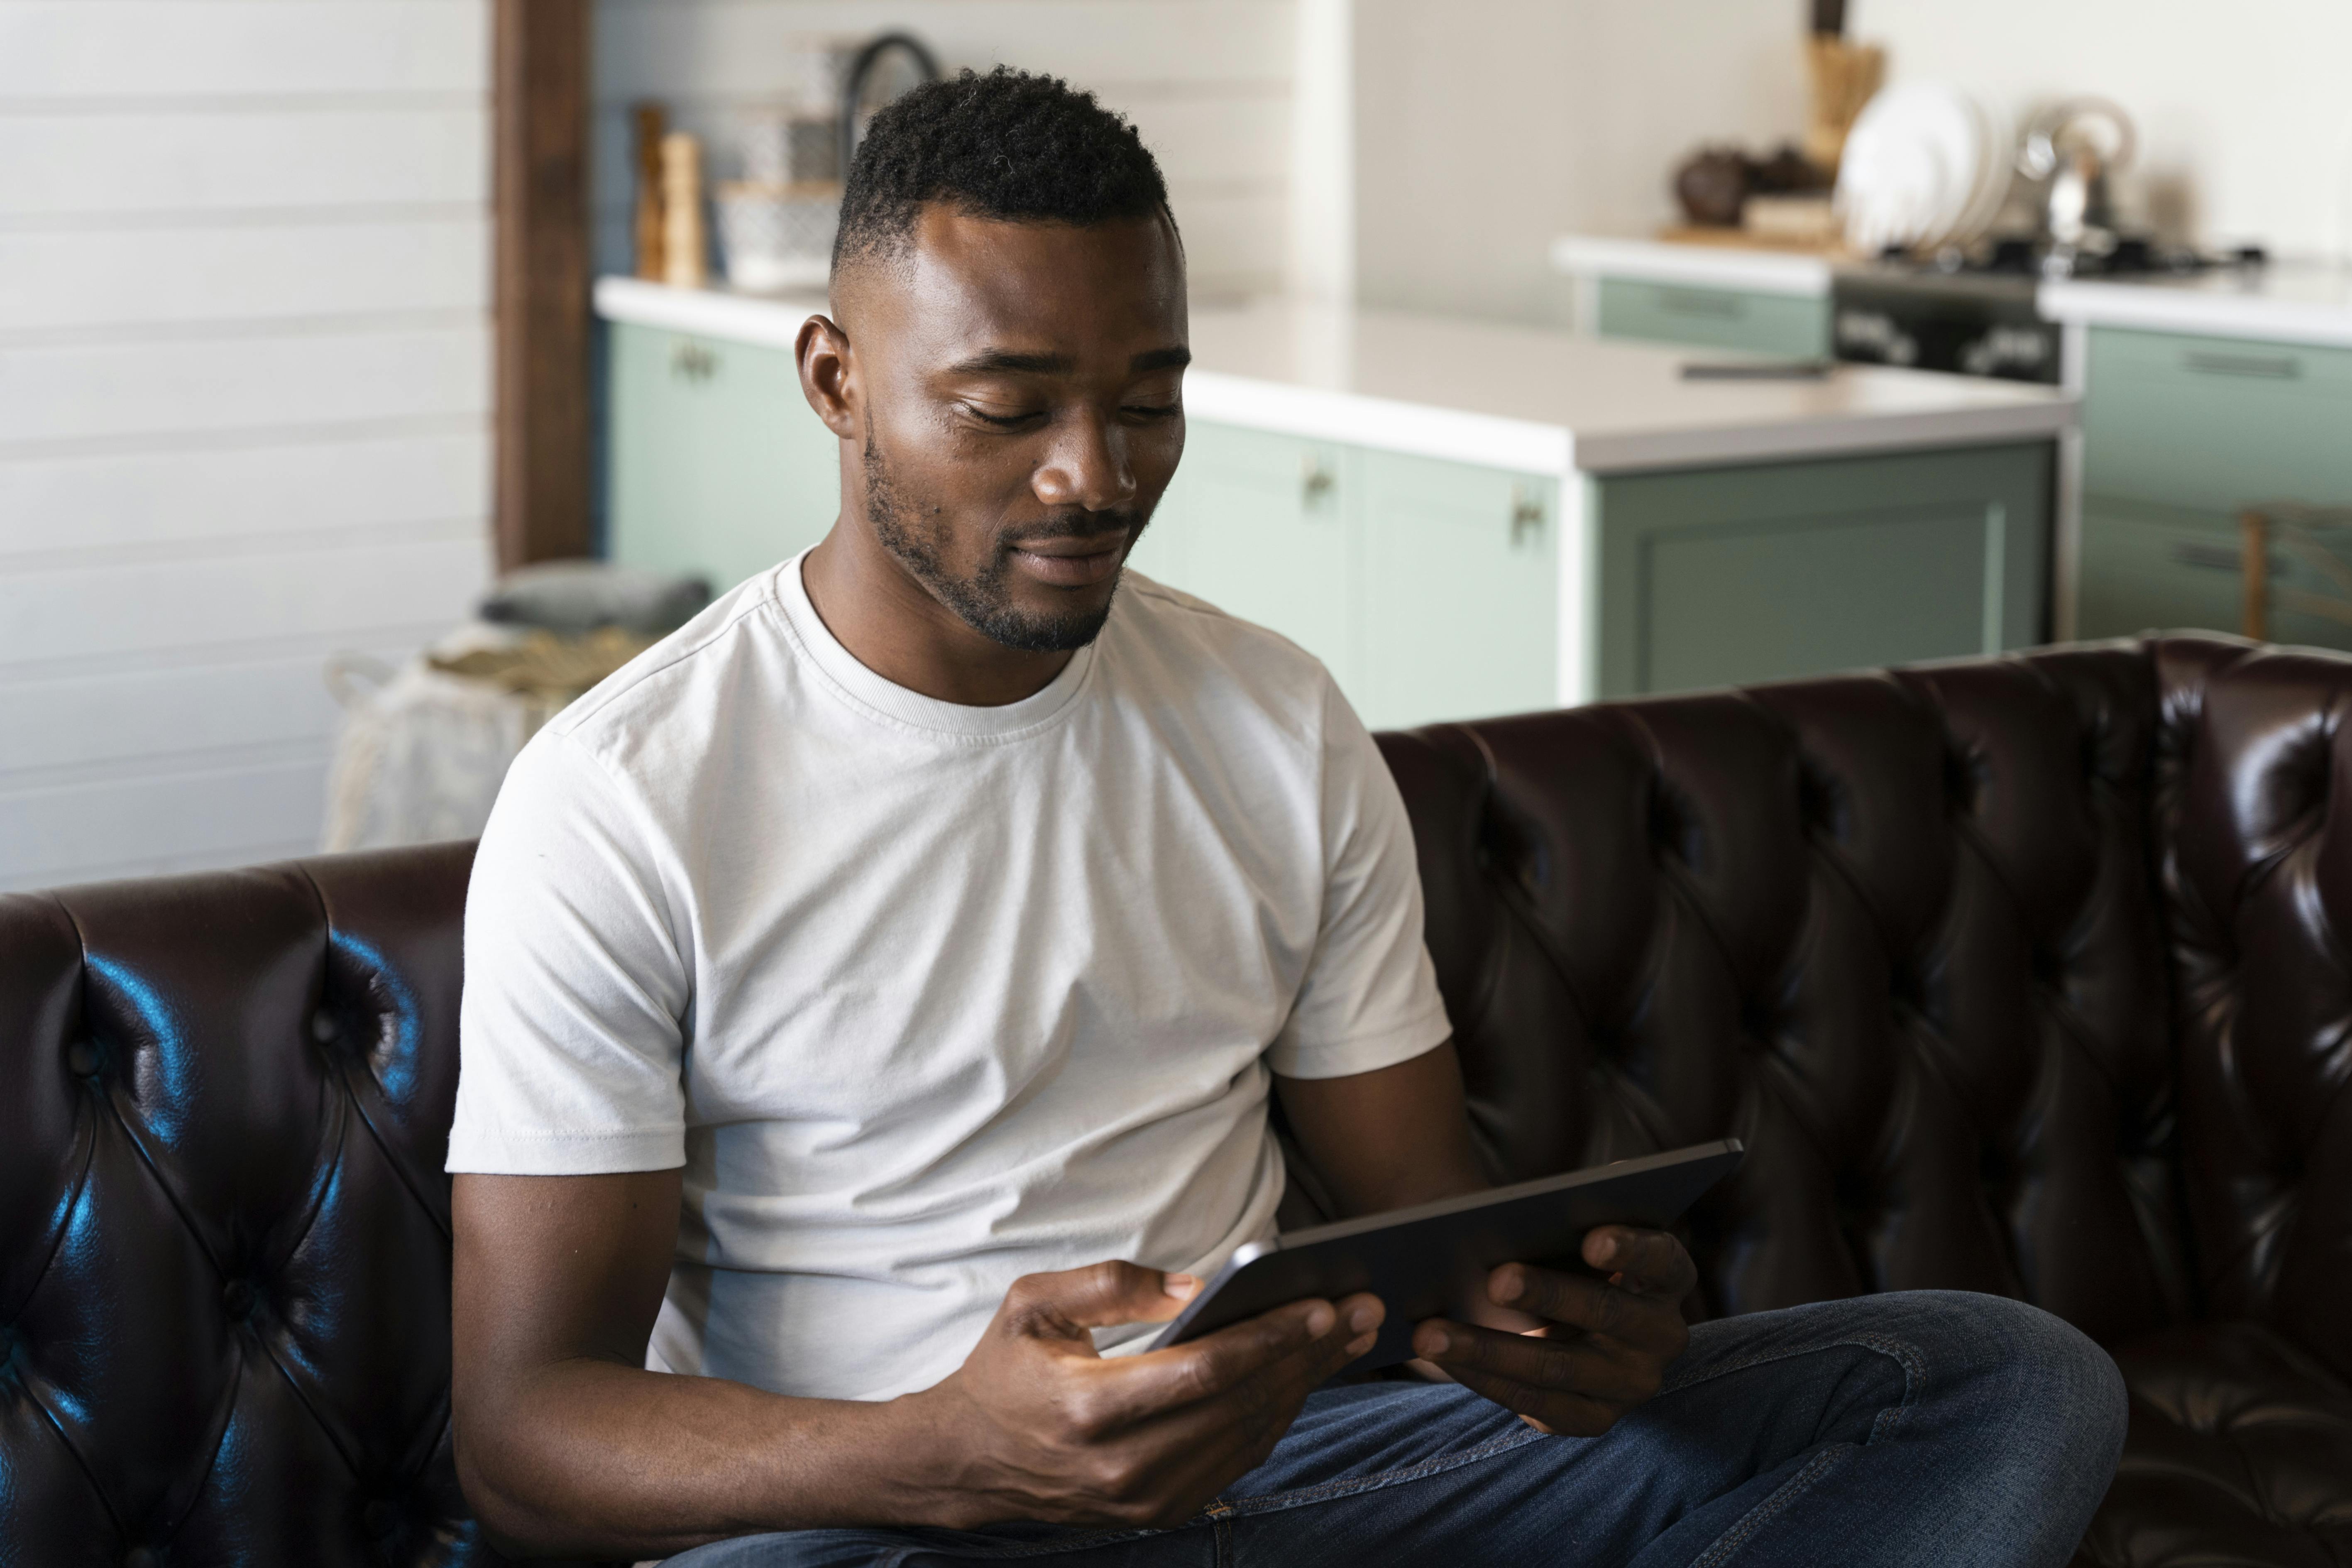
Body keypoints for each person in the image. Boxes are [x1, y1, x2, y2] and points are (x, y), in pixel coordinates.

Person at [447, 68, 2127, 1567]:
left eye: (1150, 398)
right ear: (834, 380)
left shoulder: (1268, 719)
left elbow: (1423, 1220)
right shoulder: (625, 800)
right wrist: (941, 1458)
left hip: (1301, 1473)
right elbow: (523, 1442)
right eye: (1007, 405)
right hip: (886, 1522)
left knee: (1993, 1385)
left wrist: (1554, 1330)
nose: (1094, 475)